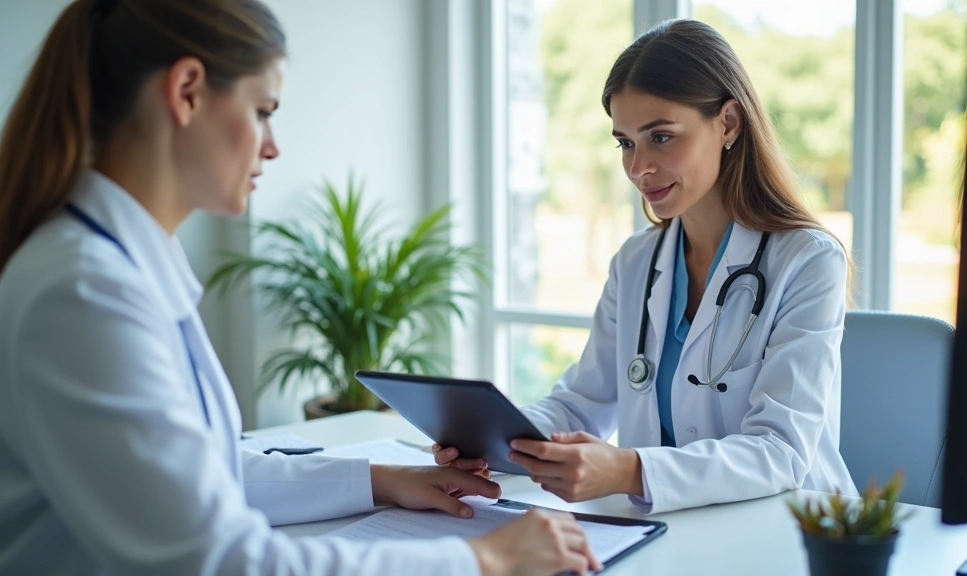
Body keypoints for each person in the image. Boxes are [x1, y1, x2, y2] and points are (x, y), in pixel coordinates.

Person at [0, 1, 601, 575]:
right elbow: (219, 563)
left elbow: (199, 470)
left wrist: (381, 480)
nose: (272, 144)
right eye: (263, 110)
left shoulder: (121, 263)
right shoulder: (81, 292)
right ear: (186, 92)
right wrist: (487, 560)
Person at [436, 19, 859, 515]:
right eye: (626, 143)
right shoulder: (636, 262)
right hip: (667, 527)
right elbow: (580, 404)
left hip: (791, 526)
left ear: (728, 123)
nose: (638, 168)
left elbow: (781, 452)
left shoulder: (807, 261)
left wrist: (631, 471)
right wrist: (487, 442)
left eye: (661, 137)